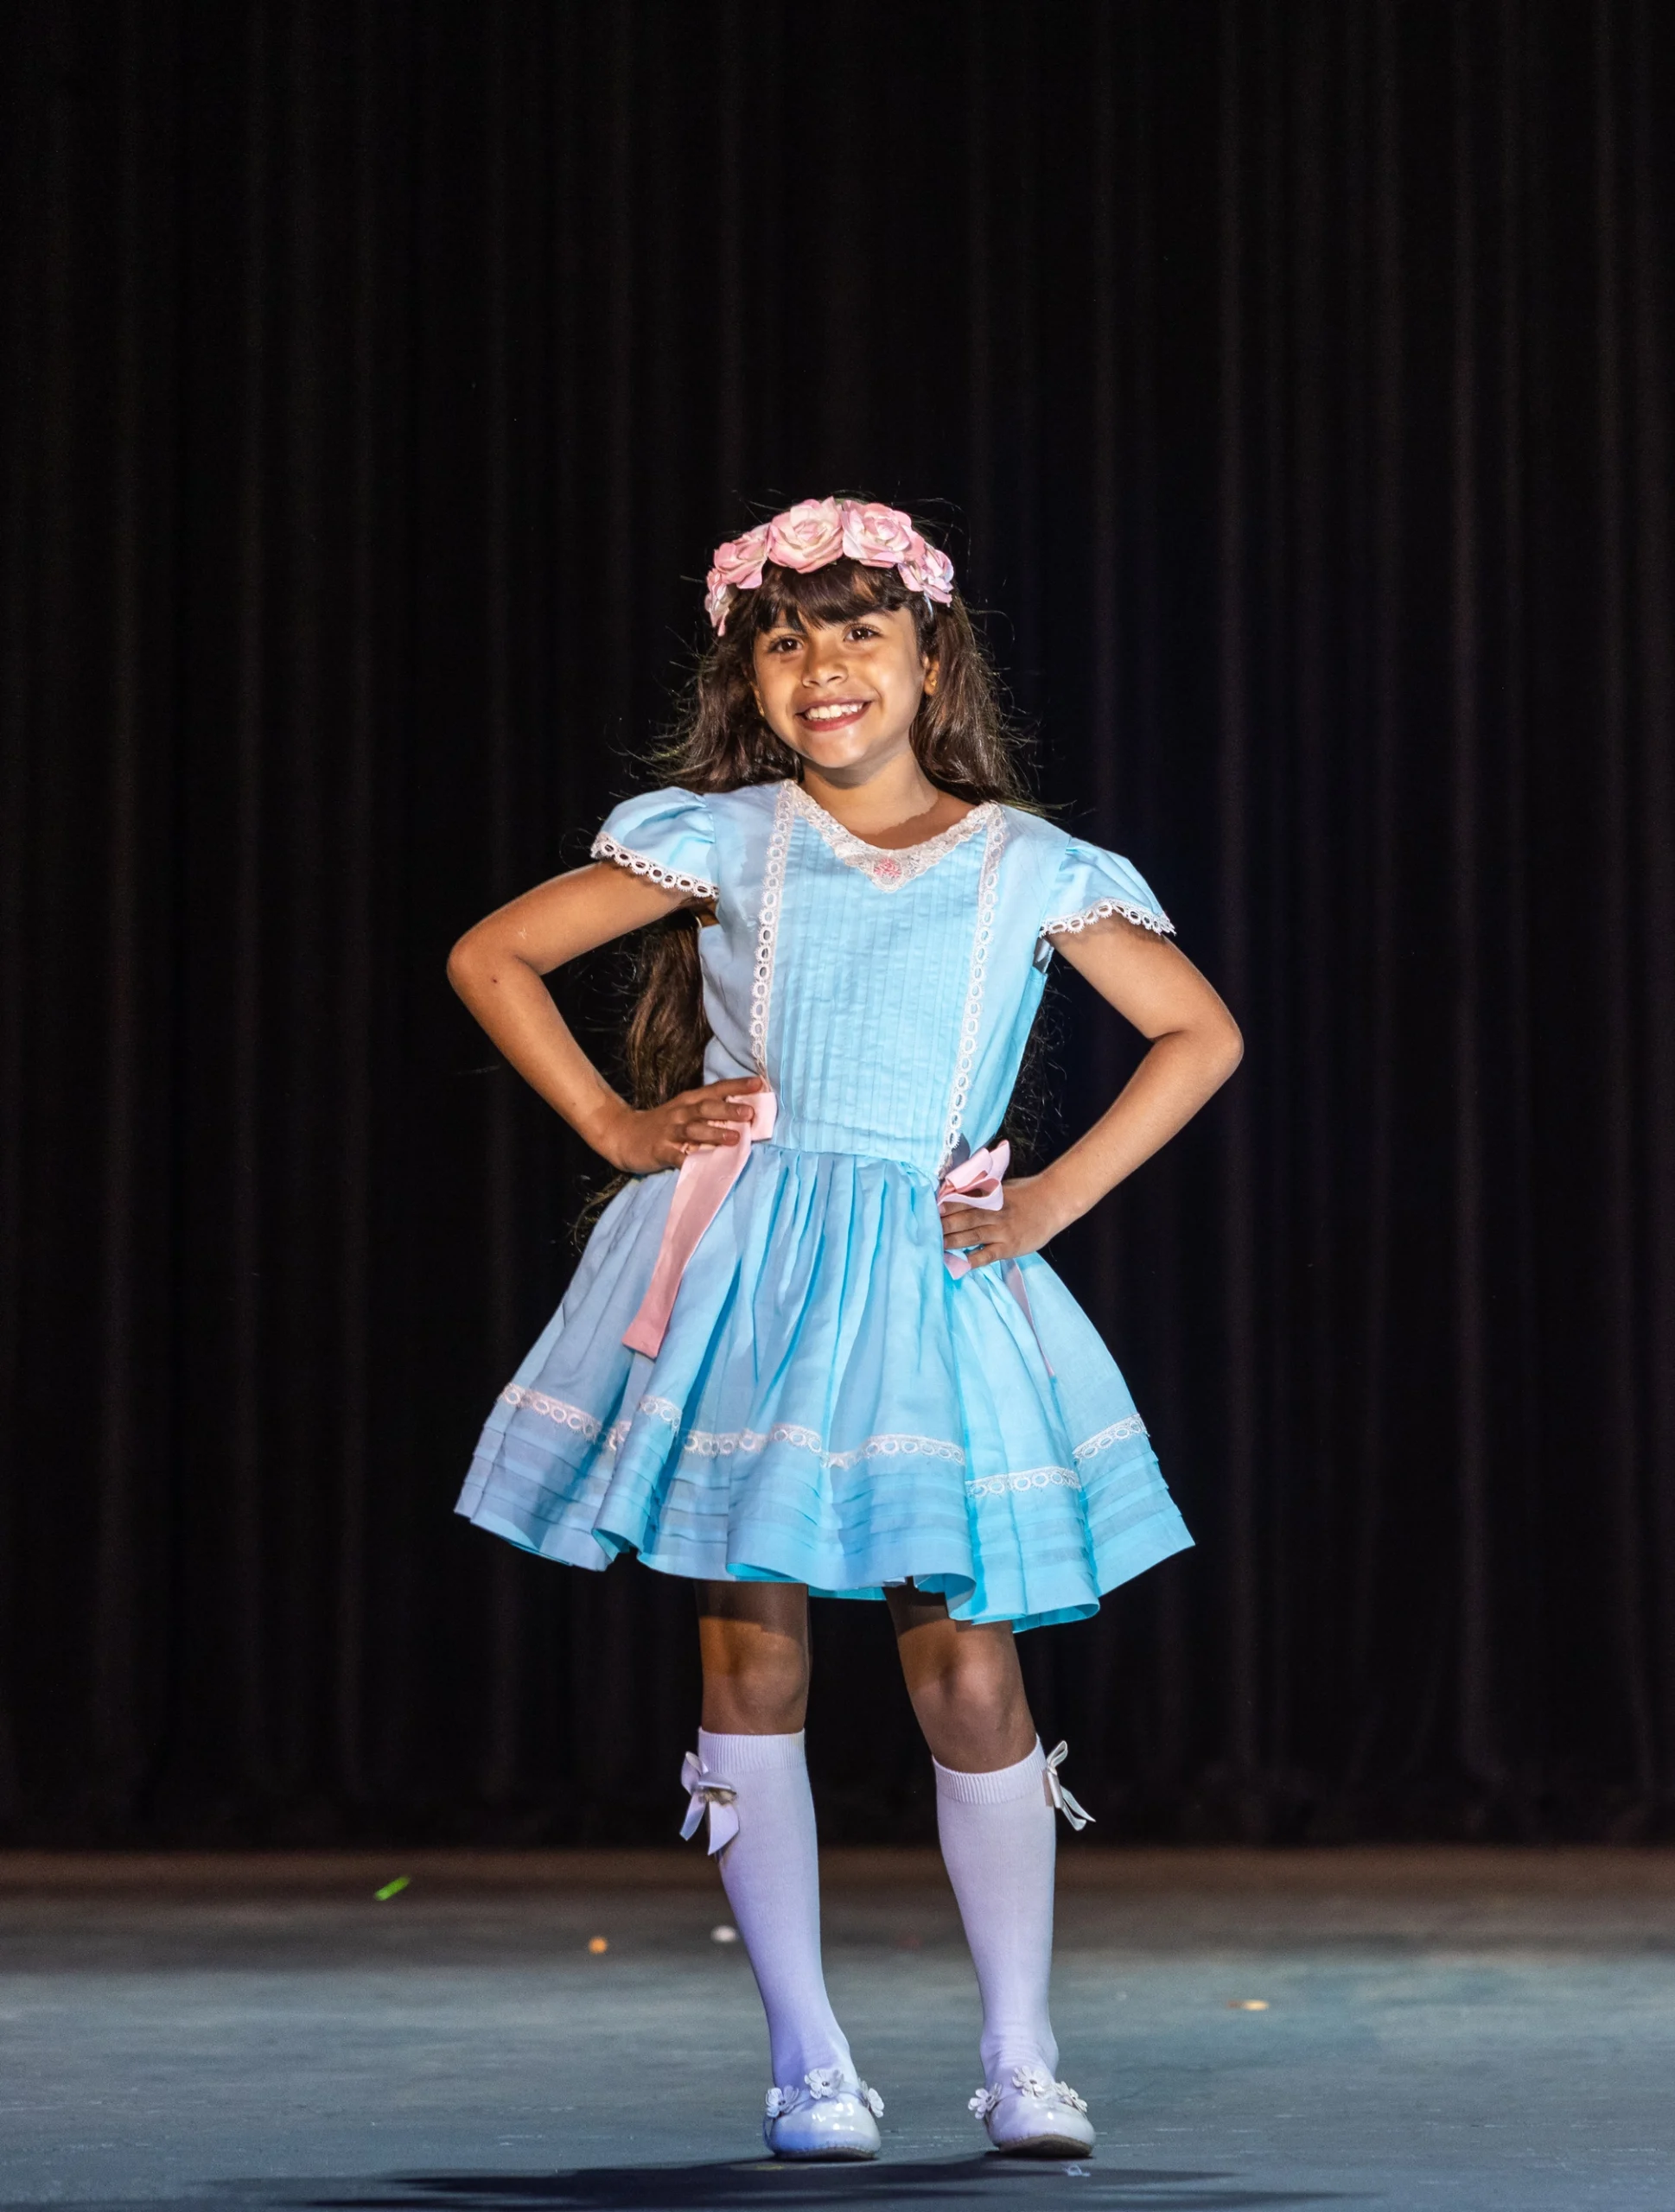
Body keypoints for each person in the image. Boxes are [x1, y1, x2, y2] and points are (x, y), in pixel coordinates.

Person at [447, 497, 1242, 2162]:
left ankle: (1021, 2052)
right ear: (752, 671)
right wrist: (612, 1124)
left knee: (965, 1658)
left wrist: (1039, 1208)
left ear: (928, 656)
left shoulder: (1030, 865)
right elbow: (495, 953)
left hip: (928, 1282)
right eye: (786, 637)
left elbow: (1195, 1033)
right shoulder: (724, 838)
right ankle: (808, 2060)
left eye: (860, 632)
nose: (824, 667)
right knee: (753, 1642)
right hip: (750, 1270)